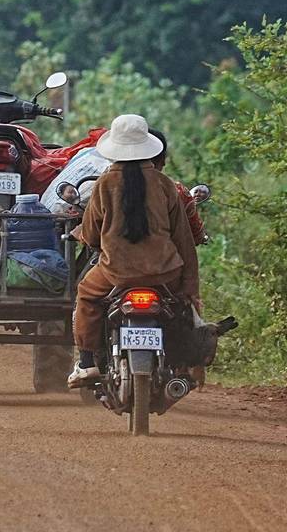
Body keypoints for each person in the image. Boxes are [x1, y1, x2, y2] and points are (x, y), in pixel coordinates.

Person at [67, 114, 201, 387]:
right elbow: (184, 240)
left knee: (86, 295)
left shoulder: (105, 183)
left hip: (116, 273)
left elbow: (91, 233)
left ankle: (87, 363)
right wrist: (190, 288)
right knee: (180, 307)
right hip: (165, 273)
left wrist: (93, 240)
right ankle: (183, 365)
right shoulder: (165, 185)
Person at [149, 129, 208, 245]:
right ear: (162, 159)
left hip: (115, 261)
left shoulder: (107, 188)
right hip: (163, 261)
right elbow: (196, 234)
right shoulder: (176, 191)